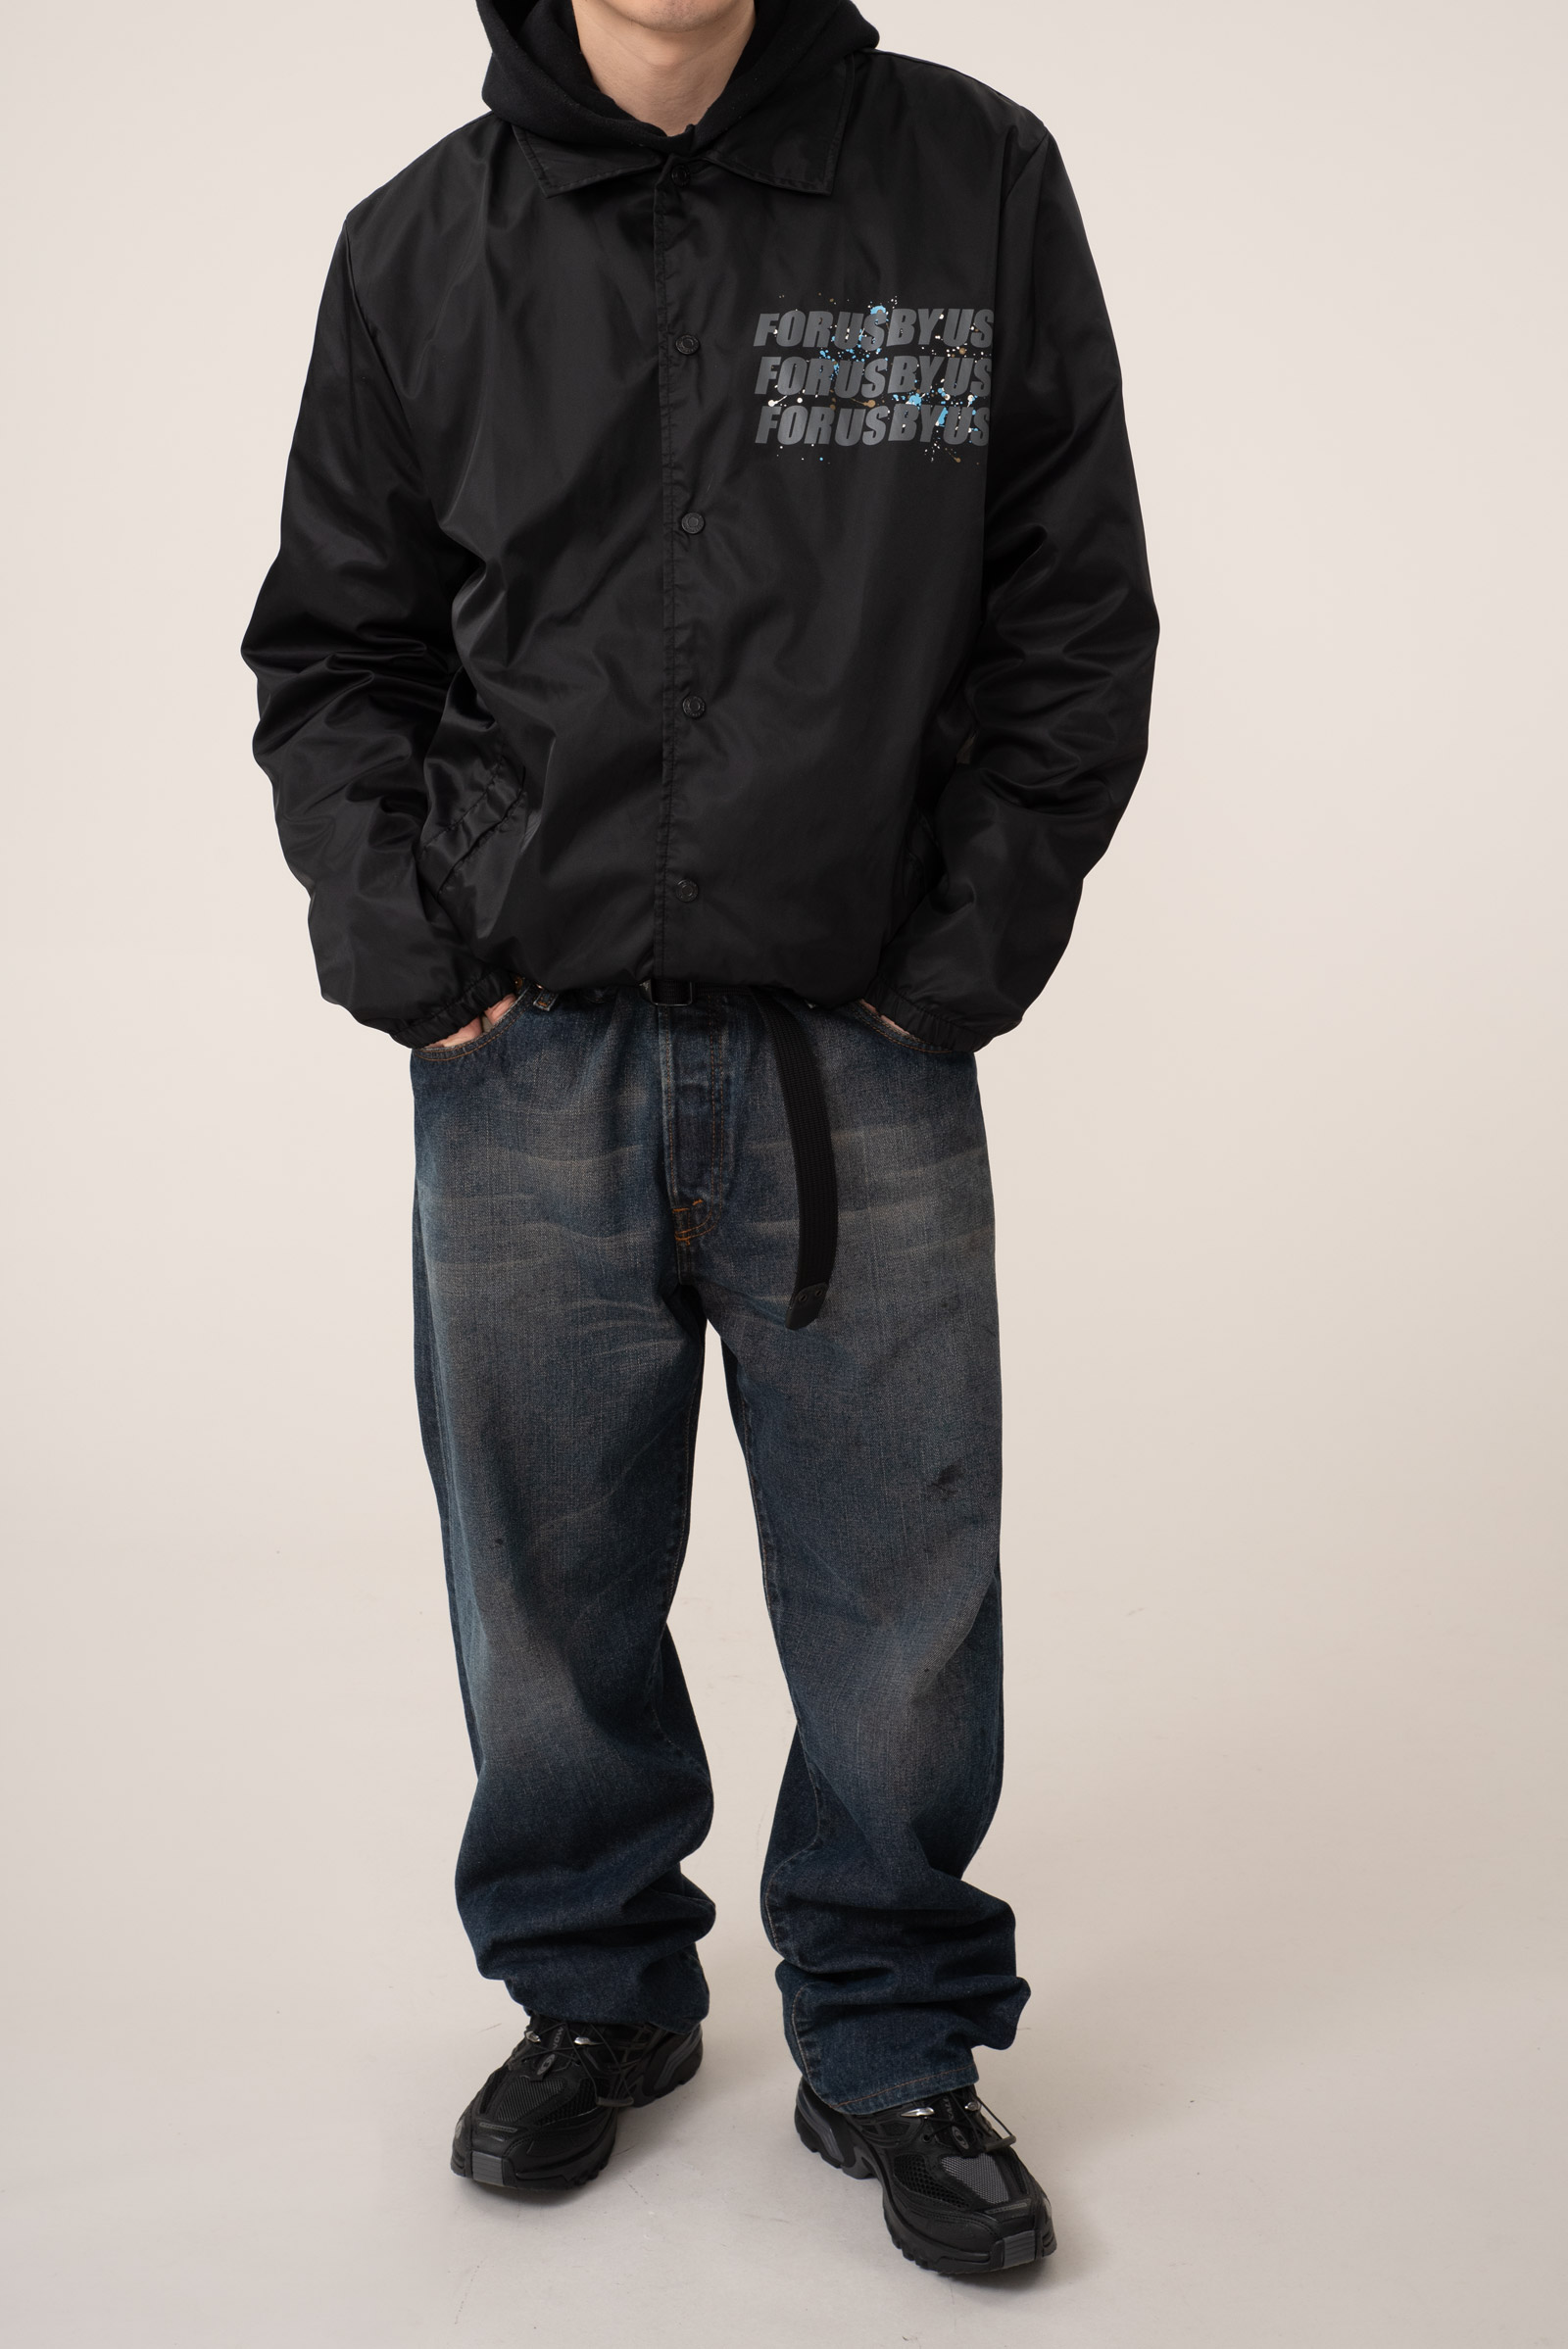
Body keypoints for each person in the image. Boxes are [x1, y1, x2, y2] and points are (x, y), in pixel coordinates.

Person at [242, 0, 1155, 2278]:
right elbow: (338, 647)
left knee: (900, 1590)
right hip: (525, 1048)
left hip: (857, 1045)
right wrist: (405, 941)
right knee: (543, 1581)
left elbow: (1067, 601)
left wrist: (952, 953)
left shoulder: (965, 183)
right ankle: (592, 1990)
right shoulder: (418, 246)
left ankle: (893, 2037)